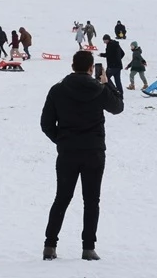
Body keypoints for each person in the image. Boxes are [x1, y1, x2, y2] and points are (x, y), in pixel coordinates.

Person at [39, 50, 124, 261]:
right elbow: (118, 107)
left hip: (68, 153)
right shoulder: (100, 89)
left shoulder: (57, 90)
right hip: (94, 153)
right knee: (91, 200)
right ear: (90, 67)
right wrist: (107, 82)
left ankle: (50, 245)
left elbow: (46, 124)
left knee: (62, 198)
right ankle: (88, 248)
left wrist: (61, 140)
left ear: (72, 66)